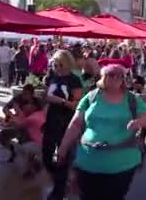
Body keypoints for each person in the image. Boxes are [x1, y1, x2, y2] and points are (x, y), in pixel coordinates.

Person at [57, 58, 146, 200]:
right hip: (87, 163)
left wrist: (141, 121)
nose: (115, 78)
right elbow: (76, 123)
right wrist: (63, 147)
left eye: (119, 75)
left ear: (124, 78)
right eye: (111, 74)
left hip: (122, 165)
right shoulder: (91, 97)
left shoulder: (132, 99)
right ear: (104, 77)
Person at [41, 50, 84, 200]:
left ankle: (58, 191)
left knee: (62, 156)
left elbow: (76, 105)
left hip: (65, 122)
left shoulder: (74, 80)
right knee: (46, 155)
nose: (57, 67)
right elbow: (47, 96)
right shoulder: (53, 77)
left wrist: (60, 101)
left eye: (59, 64)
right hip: (51, 120)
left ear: (67, 63)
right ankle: (61, 181)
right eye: (54, 64)